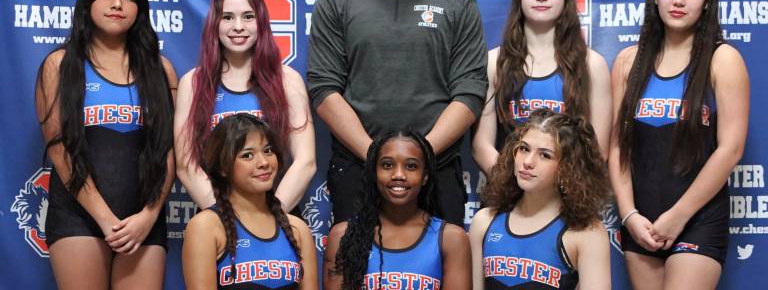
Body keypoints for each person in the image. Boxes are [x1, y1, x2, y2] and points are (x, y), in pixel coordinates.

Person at [307, 0, 487, 226]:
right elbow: (324, 88)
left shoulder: (458, 4)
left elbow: (470, 92)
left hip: (437, 170)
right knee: (354, 261)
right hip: (357, 167)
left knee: (443, 261)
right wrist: (379, 158)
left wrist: (418, 159)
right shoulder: (337, 1)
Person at [609, 0, 749, 289]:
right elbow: (617, 147)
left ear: (707, 1)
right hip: (641, 220)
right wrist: (629, 215)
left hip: (698, 218)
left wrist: (678, 215)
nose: (679, 0)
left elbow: (731, 149)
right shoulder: (628, 62)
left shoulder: (723, 59)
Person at [35, 0, 177, 289]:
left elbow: (168, 153)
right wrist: (104, 218)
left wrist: (149, 216)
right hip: (79, 216)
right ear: (88, 2)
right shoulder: (60, 65)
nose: (117, 4)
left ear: (140, 7)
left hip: (143, 220)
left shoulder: (162, 70)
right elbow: (60, 151)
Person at [175, 0, 315, 212]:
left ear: (261, 22)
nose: (238, 26)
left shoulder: (288, 80)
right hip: (218, 216)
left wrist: (272, 217)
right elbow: (186, 165)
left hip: (279, 211)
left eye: (248, 17)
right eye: (228, 17)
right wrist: (223, 217)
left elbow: (305, 161)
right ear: (215, 23)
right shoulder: (193, 83)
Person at [472, 0, 611, 176]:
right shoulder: (494, 62)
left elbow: (598, 151)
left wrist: (554, 188)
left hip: (569, 190)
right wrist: (515, 183)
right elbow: (481, 146)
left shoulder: (592, 65)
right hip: (509, 187)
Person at [470, 108, 610, 290]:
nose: (528, 162)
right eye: (524, 149)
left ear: (568, 168)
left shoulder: (587, 233)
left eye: (545, 155)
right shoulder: (484, 221)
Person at [182, 113, 318, 289]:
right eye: (248, 155)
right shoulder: (205, 226)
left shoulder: (297, 229)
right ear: (223, 167)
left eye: (268, 151)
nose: (264, 162)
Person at [323, 131, 471, 290]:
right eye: (387, 165)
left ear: (425, 176)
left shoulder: (451, 239)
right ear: (374, 173)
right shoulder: (342, 236)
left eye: (411, 166)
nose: (399, 175)